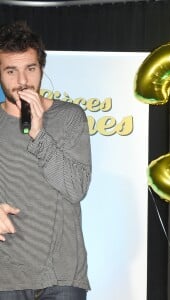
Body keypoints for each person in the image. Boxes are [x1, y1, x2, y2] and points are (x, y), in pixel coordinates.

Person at [0, 21, 92, 300]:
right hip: (6, 277)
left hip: (62, 277)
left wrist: (38, 132)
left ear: (41, 69)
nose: (23, 81)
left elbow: (76, 188)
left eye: (30, 68)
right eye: (11, 71)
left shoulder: (69, 117)